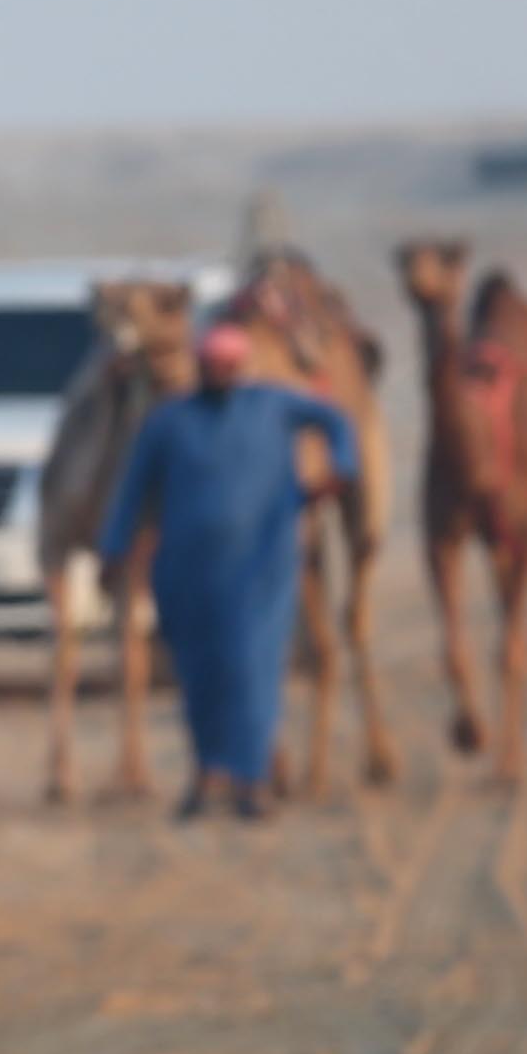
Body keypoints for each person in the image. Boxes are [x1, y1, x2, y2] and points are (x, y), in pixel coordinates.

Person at [94, 317, 359, 819]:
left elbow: (337, 422)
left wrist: (339, 468)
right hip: (187, 573)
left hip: (263, 568)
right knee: (199, 674)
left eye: (229, 365)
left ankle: (251, 779)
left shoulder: (273, 405)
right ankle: (208, 772)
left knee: (252, 667)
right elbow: (131, 492)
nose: (220, 373)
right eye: (211, 365)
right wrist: (113, 549)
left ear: (242, 366)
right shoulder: (169, 422)